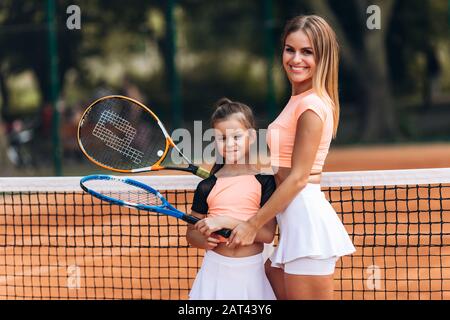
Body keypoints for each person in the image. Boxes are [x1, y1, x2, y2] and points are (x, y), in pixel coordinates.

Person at [226, 15, 356, 300]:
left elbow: (298, 177)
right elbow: (283, 168)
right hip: (292, 224)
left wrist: (253, 224)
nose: (296, 59)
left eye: (307, 51)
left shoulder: (311, 105)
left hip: (307, 226)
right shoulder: (298, 100)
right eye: (290, 49)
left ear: (322, 57)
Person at [186, 98, 277, 300]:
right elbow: (191, 234)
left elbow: (267, 234)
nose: (230, 144)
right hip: (214, 271)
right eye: (222, 138)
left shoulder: (265, 182)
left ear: (251, 136)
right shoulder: (206, 186)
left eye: (236, 136)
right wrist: (202, 240)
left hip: (251, 272)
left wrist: (225, 221)